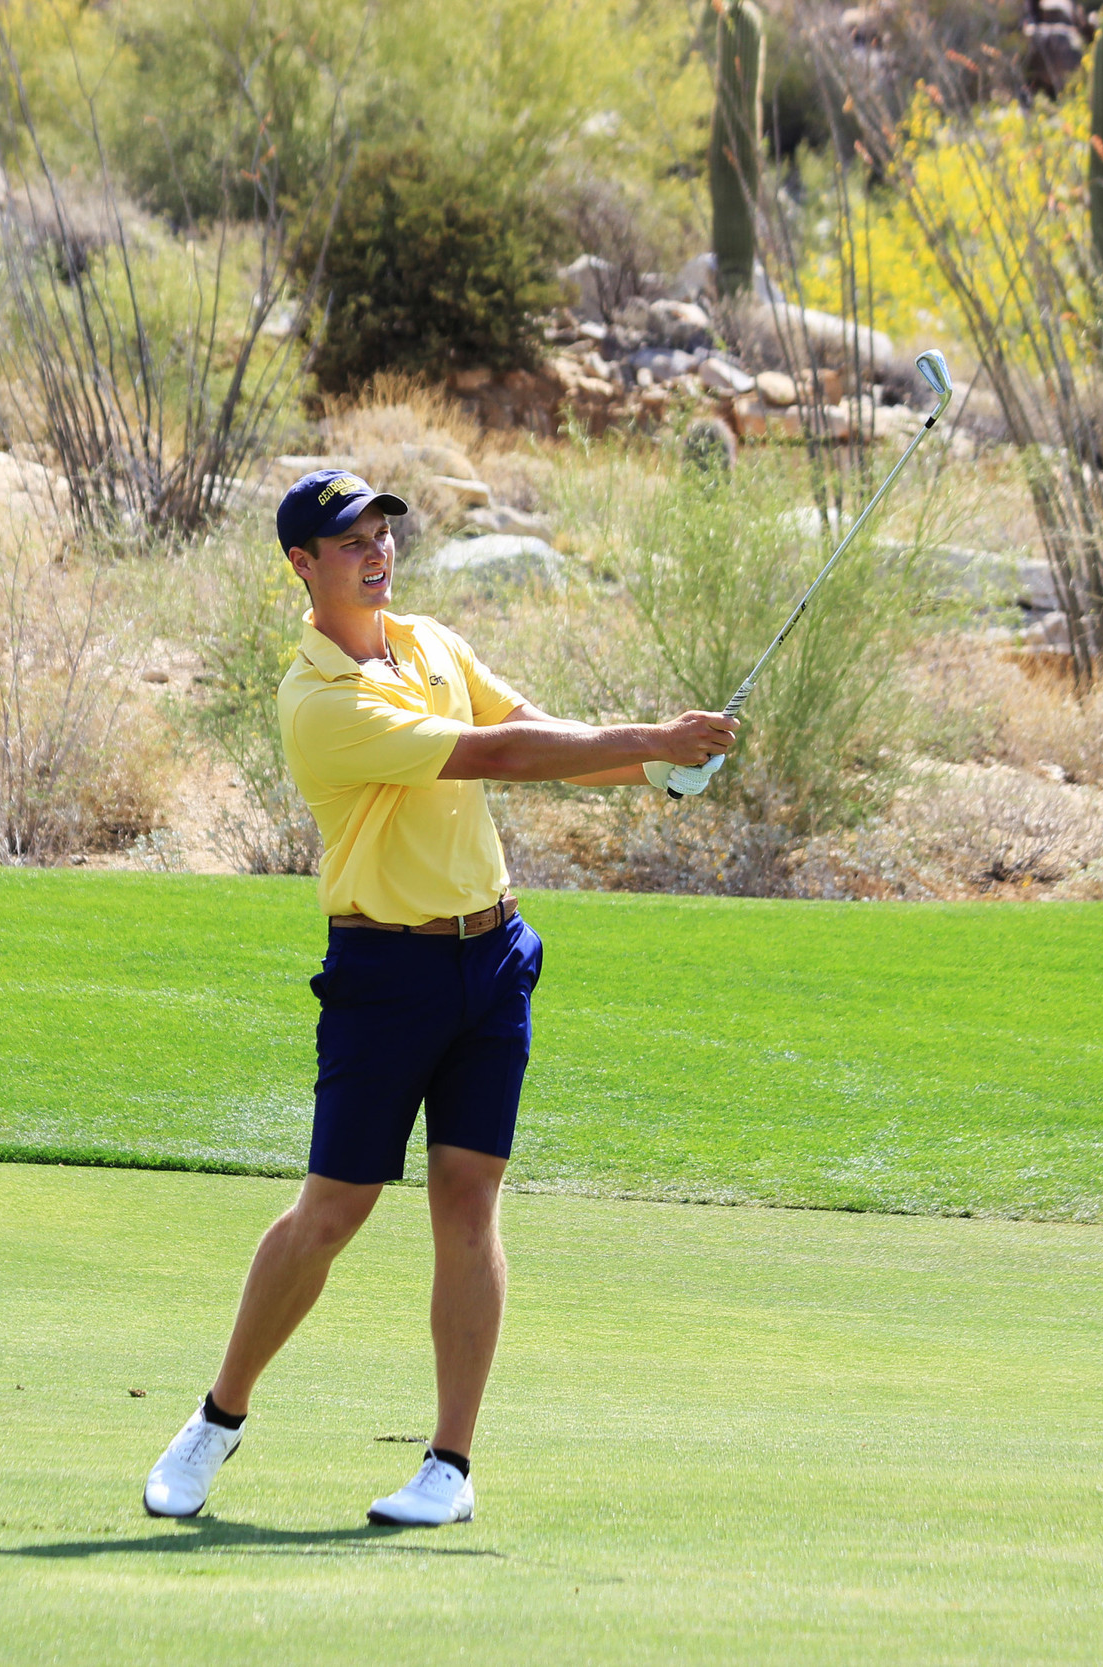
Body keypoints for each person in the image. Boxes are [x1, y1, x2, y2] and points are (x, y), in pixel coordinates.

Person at [142, 469, 739, 1528]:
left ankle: (448, 1467)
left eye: (381, 530)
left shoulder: (431, 644)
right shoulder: (322, 700)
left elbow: (537, 730)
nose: (375, 548)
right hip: (386, 971)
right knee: (334, 1209)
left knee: (468, 1200)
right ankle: (216, 1418)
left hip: (493, 954)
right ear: (301, 565)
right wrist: (650, 738)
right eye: (348, 538)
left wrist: (653, 770)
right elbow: (493, 755)